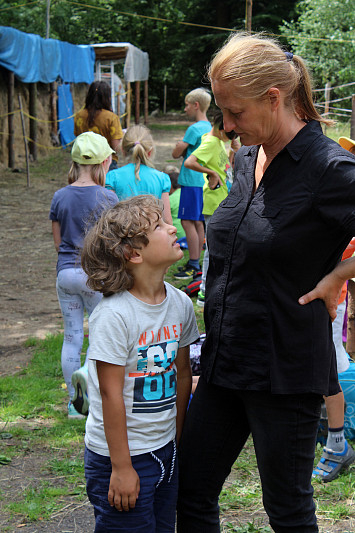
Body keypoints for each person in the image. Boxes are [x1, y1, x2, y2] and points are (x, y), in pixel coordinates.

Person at [176, 33, 355, 533]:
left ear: (275, 98)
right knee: (190, 491)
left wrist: (342, 274)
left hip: (285, 368)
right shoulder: (242, 159)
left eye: (234, 113)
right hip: (225, 360)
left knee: (288, 511)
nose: (226, 127)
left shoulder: (328, 168)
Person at [80, 195, 199, 532]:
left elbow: (183, 374)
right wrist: (121, 467)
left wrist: (174, 440)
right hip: (121, 458)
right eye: (160, 226)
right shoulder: (114, 315)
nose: (172, 226)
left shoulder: (179, 304)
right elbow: (109, 395)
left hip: (165, 452)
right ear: (134, 254)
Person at [49, 131, 118, 419]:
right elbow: (112, 242)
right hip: (95, 276)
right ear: (104, 162)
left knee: (72, 337)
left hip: (66, 275)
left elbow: (57, 242)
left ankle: (74, 404)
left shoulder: (60, 196)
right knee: (98, 336)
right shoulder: (108, 197)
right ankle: (89, 387)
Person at [312, 140, 355, 482]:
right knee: (329, 358)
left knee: (332, 361)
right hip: (327, 293)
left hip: (331, 297)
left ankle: (336, 440)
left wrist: (338, 281)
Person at [184, 110, 239, 307]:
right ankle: (204, 292)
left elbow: (225, 167)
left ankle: (212, 289)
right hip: (214, 202)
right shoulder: (210, 142)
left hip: (221, 200)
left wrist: (233, 149)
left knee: (220, 246)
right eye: (231, 133)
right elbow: (189, 162)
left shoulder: (217, 141)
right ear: (223, 129)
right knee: (213, 248)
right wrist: (210, 174)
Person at [172, 88, 211, 280]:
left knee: (188, 221)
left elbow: (176, 153)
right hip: (202, 182)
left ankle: (194, 264)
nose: (185, 109)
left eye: (187, 105)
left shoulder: (194, 129)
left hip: (191, 180)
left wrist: (180, 143)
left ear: (196, 105)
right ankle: (198, 261)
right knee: (198, 221)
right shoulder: (210, 127)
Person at [105, 125, 173, 224]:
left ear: (123, 150)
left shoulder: (112, 177)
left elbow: (109, 215)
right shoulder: (162, 178)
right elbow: (167, 220)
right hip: (152, 237)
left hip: (124, 235)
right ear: (150, 152)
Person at [74, 80, 123, 170]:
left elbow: (78, 138)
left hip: (84, 163)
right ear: (107, 97)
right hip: (106, 163)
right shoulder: (111, 118)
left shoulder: (79, 116)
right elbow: (116, 147)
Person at [166, 167, 185, 241]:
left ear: (170, 186)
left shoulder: (170, 199)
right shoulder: (187, 195)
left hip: (177, 236)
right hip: (190, 235)